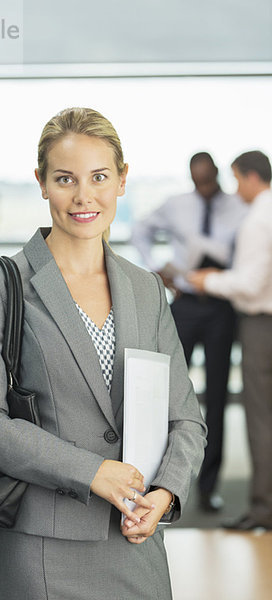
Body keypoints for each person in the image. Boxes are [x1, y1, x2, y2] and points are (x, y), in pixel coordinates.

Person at [0, 108, 206, 599]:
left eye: (99, 177)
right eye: (65, 178)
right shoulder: (2, 284)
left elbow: (186, 418)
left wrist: (167, 492)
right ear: (42, 183)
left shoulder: (145, 288)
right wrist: (92, 472)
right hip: (43, 550)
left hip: (137, 543)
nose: (84, 196)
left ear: (122, 181)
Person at [132, 152, 247, 512]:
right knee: (164, 393)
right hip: (183, 304)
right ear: (191, 178)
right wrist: (156, 269)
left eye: (209, 180)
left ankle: (208, 488)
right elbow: (139, 230)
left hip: (221, 307)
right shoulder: (176, 205)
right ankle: (159, 482)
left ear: (217, 175)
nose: (204, 186)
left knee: (216, 396)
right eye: (198, 181)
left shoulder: (239, 207)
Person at [189, 150, 272, 531]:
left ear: (252, 177)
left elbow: (250, 284)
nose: (235, 189)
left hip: (261, 324)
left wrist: (208, 281)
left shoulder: (259, 217)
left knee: (261, 420)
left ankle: (263, 510)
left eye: (238, 179)